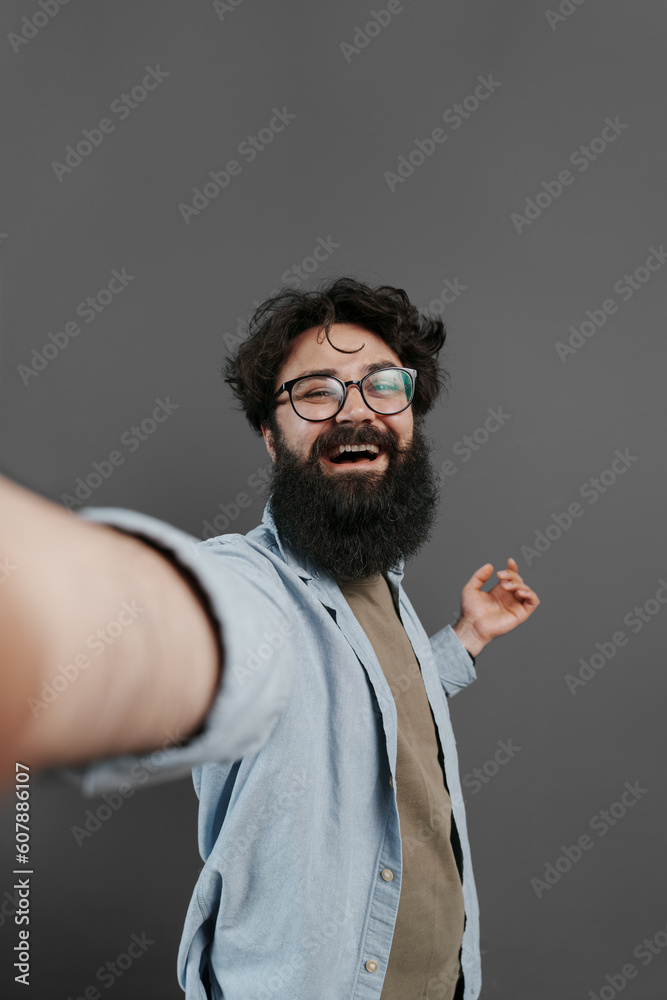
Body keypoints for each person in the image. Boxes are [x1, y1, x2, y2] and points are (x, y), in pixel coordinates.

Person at [1, 277, 539, 999]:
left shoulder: (385, 586)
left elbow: (371, 705)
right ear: (269, 435)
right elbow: (188, 631)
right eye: (316, 393)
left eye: (381, 386)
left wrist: (466, 636)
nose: (356, 412)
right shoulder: (246, 582)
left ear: (409, 416)